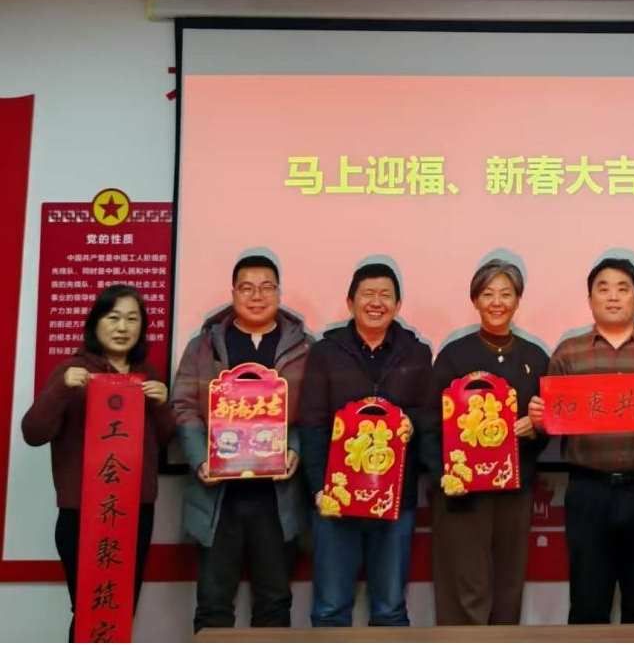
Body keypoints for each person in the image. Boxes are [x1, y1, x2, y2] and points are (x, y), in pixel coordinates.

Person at [528, 257, 634, 625]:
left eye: (623, 289)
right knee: (588, 604)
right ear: (590, 299)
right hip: (589, 491)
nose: (613, 297)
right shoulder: (568, 353)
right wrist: (540, 419)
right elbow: (549, 424)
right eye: (603, 289)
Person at [22, 284, 175, 639]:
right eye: (113, 317)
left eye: (132, 319)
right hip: (83, 513)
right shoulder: (71, 371)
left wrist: (161, 405)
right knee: (90, 609)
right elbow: (34, 432)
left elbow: (165, 439)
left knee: (121, 609)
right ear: (96, 323)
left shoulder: (147, 375)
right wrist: (61, 388)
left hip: (134, 513)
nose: (123, 327)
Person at [171, 255, 312, 631]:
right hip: (218, 497)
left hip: (277, 498)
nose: (257, 296)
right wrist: (201, 459)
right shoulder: (204, 347)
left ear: (279, 293)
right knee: (213, 604)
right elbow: (183, 406)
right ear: (233, 293)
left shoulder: (304, 348)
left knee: (274, 603)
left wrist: (295, 449)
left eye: (266, 287)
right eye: (247, 288)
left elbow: (314, 414)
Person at [299, 262, 432, 627]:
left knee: (390, 609)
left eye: (385, 295)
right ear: (350, 302)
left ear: (398, 305)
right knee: (330, 609)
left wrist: (412, 422)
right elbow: (312, 423)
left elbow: (431, 414)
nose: (376, 302)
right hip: (336, 498)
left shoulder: (417, 353)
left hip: (395, 498)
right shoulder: (326, 352)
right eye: (368, 294)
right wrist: (319, 488)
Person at [423, 259, 549, 625]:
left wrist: (536, 429)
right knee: (466, 587)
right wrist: (445, 477)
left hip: (515, 491)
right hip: (463, 494)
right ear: (475, 300)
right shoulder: (454, 355)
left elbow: (548, 423)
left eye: (506, 294)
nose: (497, 302)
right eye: (488, 294)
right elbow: (430, 423)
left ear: (518, 300)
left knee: (508, 586)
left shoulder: (535, 357)